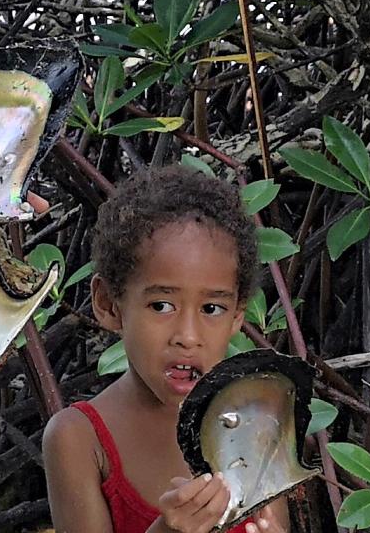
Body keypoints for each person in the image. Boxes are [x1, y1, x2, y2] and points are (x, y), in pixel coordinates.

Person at [44, 166, 291, 533]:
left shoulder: (257, 424)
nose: (187, 336)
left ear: (238, 315)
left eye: (212, 309)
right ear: (109, 304)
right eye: (162, 305)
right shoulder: (78, 439)